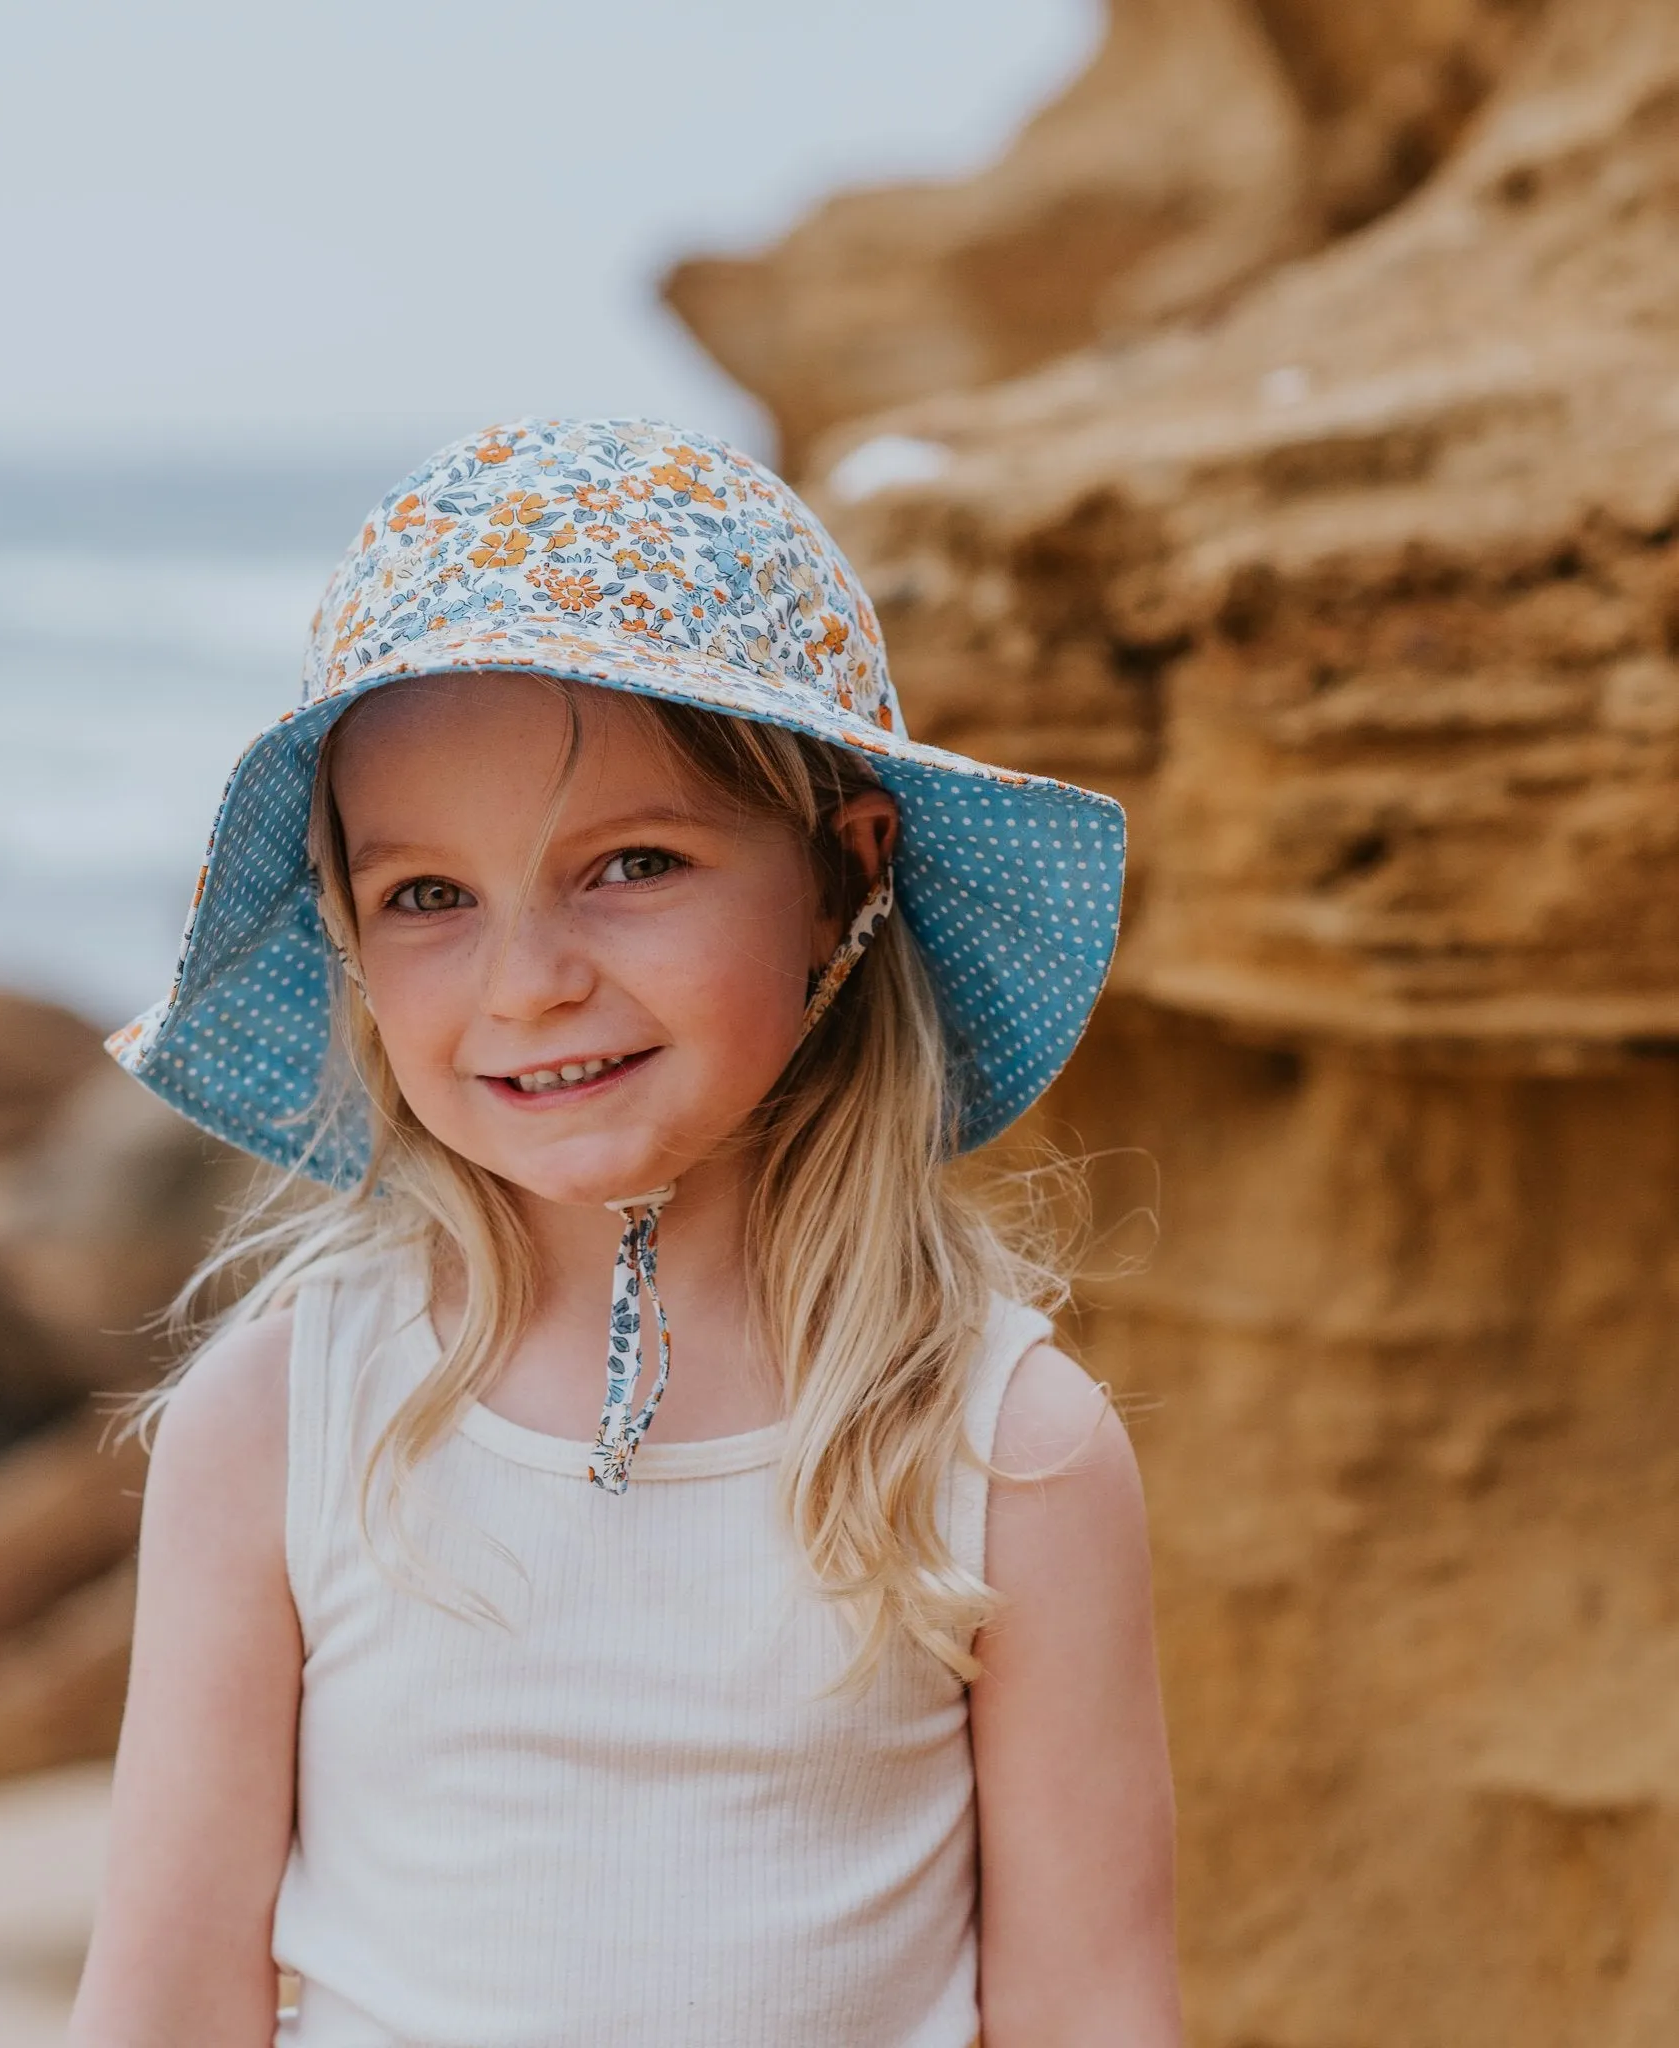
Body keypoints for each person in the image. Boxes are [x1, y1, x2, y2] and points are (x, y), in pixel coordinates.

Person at [69, 418, 1179, 2048]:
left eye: (632, 864)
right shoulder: (281, 1424)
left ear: (838, 875)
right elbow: (164, 1998)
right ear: (350, 940)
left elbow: (1094, 2010)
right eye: (428, 897)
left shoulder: (1005, 1450)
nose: (528, 984)